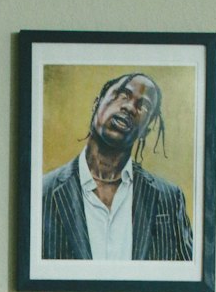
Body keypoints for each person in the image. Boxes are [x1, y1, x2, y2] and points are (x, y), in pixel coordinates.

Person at [42, 72, 193, 262]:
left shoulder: (169, 198)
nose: (130, 107)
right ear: (96, 104)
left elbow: (189, 278)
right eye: (123, 95)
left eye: (143, 106)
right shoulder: (41, 193)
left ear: (146, 129)